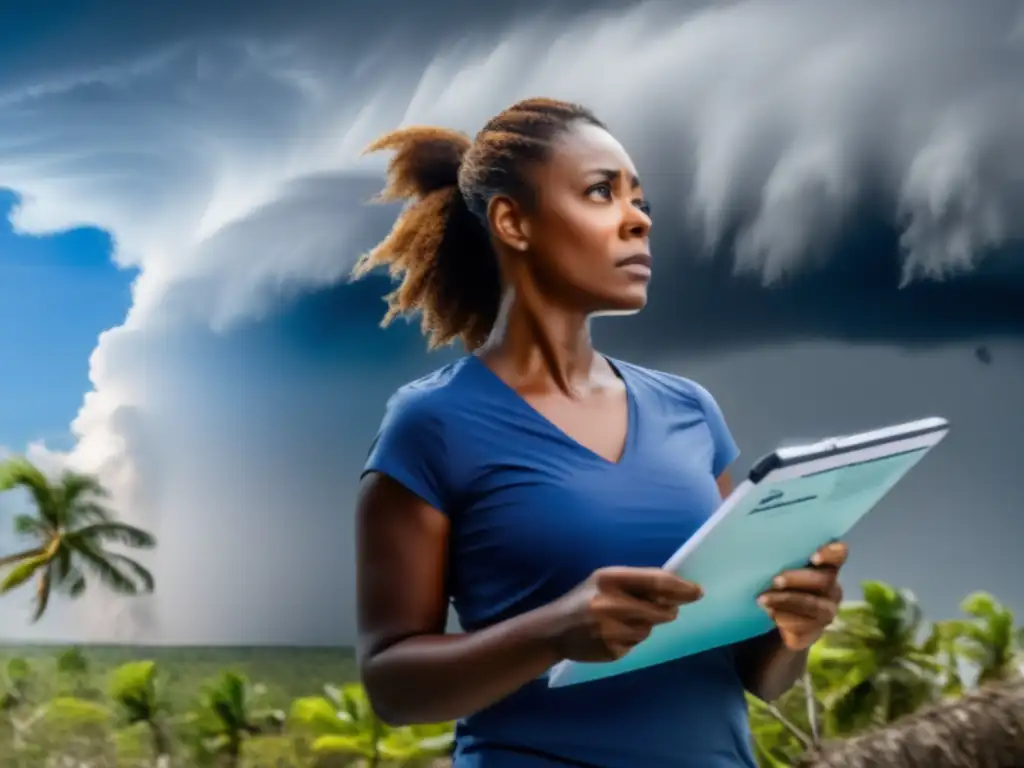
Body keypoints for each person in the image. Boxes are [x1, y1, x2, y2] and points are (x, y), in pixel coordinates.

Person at [352, 97, 848, 767]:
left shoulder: (691, 411)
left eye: (640, 201)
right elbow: (392, 685)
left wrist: (793, 630)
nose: (638, 218)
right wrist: (553, 632)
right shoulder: (431, 424)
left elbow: (756, 678)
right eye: (601, 193)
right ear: (512, 221)